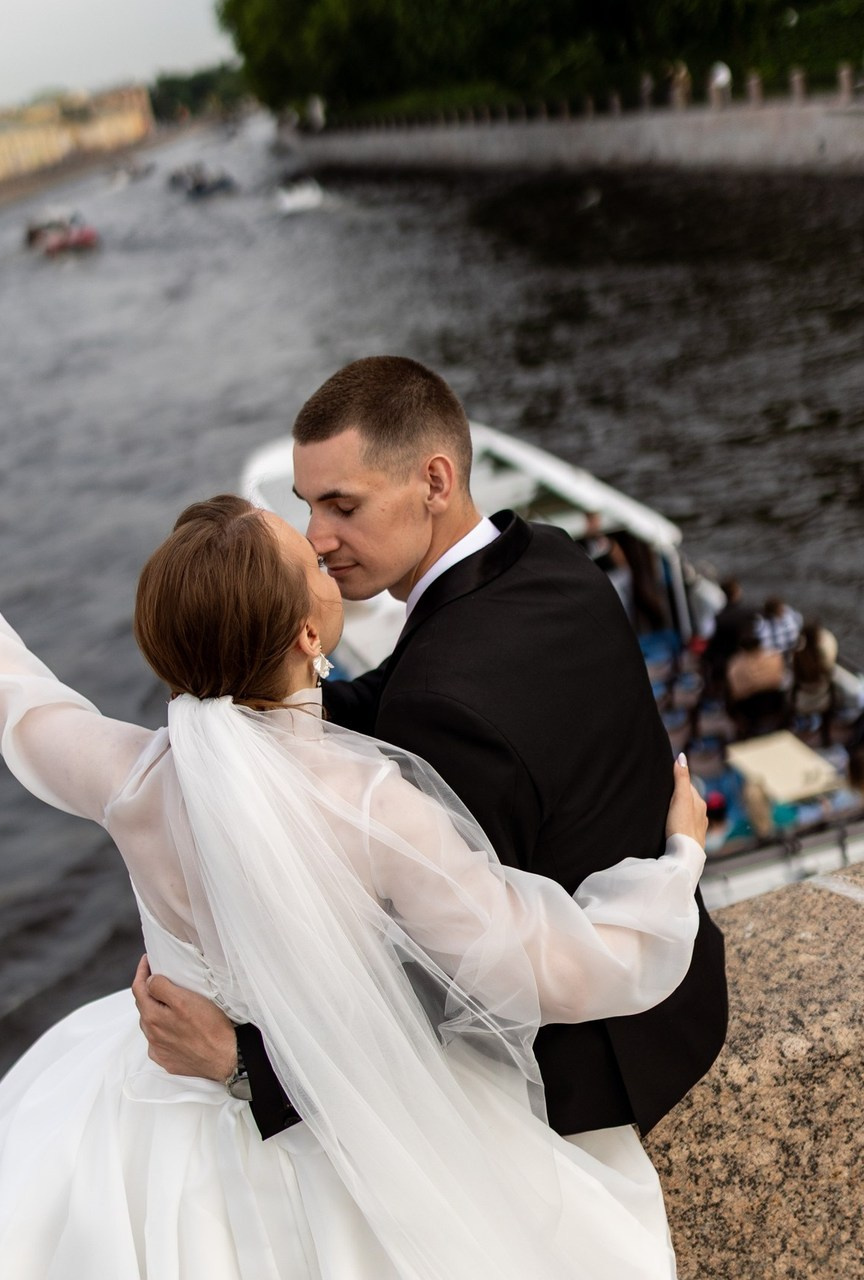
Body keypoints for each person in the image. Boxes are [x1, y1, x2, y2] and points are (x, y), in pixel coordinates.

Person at [0, 399, 708, 1280]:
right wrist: (678, 864)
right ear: (312, 632)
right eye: (303, 552)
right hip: (336, 1130)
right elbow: (545, 965)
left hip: (151, 1118)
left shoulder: (134, 780)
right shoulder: (376, 805)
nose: (316, 541)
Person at [133, 357, 727, 1244]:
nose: (319, 536)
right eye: (307, 507)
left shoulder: (438, 714)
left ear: (434, 482)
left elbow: (432, 979)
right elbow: (415, 692)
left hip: (590, 1064)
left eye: (342, 506)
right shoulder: (548, 559)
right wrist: (250, 674)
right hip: (689, 994)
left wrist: (246, 1064)